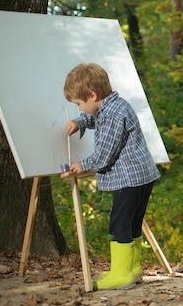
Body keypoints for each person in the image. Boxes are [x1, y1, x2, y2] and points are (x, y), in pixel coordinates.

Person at [63, 63, 160, 291]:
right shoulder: (114, 106)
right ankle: (130, 270)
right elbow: (95, 117)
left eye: (79, 104)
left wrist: (81, 165)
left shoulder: (113, 115)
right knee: (132, 223)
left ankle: (122, 275)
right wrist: (80, 121)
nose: (79, 109)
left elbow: (105, 154)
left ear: (92, 95)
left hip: (129, 178)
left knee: (119, 224)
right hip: (141, 176)